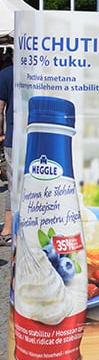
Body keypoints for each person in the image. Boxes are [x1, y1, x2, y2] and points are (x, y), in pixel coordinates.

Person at [0, 51, 13, 246]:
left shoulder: (6, 74)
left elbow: (0, 109)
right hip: (43, 136)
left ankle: (8, 229)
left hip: (13, 136)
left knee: (14, 185)